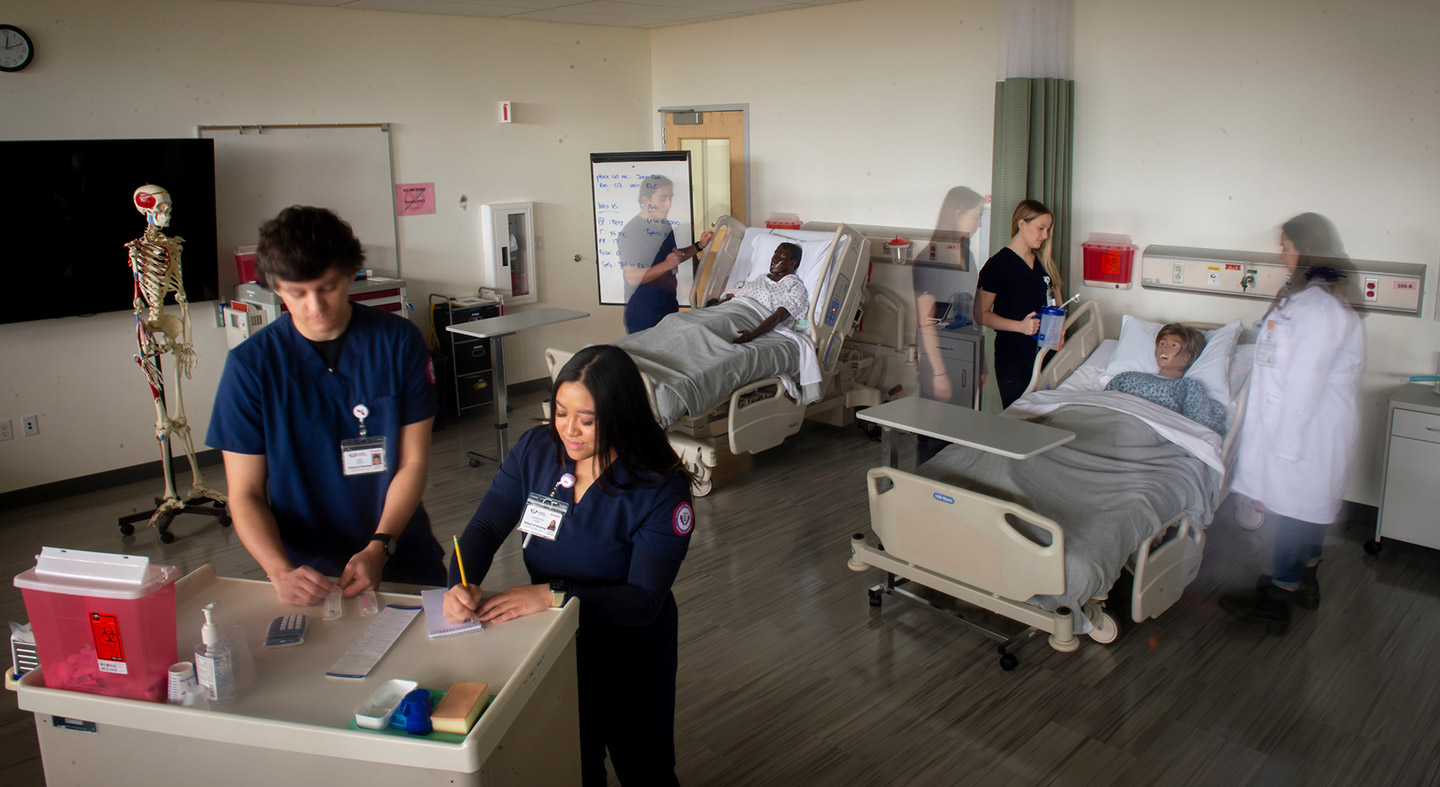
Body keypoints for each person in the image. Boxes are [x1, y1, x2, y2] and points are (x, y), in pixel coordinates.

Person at [445, 345, 693, 786]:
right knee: (574, 760)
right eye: (560, 412)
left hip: (629, 653)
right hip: (557, 644)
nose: (569, 431)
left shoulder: (658, 486)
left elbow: (643, 602)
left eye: (587, 420)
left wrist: (551, 594)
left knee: (645, 769)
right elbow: (483, 528)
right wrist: (459, 583)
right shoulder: (537, 450)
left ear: (620, 415)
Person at [208, 206, 445, 605]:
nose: (315, 307)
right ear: (274, 287)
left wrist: (380, 546)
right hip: (307, 573)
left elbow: (413, 463)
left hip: (402, 550)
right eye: (297, 292)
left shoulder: (398, 342)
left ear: (352, 273)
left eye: (328, 287)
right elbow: (245, 493)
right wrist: (279, 571)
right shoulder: (251, 366)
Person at [1219, 213, 1364, 633]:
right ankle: (1306, 579)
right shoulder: (1310, 297)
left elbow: (1303, 384)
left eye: (1285, 245)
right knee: (1306, 508)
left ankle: (1277, 599)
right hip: (1307, 423)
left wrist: (1285, 446)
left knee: (1293, 510)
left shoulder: (1318, 308)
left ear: (1305, 248)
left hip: (1306, 427)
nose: (1279, 252)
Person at [914, 187, 985, 462]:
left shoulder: (966, 255)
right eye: (976, 216)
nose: (979, 224)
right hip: (939, 359)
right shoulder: (930, 259)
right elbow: (926, 322)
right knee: (934, 437)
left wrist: (982, 364)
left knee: (958, 437)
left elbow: (973, 310)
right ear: (957, 215)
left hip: (965, 356)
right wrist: (939, 373)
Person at [975, 199, 1063, 408]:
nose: (1045, 235)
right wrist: (1020, 327)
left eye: (1047, 229)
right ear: (1021, 224)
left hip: (1046, 353)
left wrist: (1060, 333)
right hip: (1013, 356)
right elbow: (980, 314)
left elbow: (1059, 306)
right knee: (1019, 416)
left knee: (1045, 417)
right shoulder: (997, 266)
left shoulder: (1045, 265)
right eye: (1041, 228)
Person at [620, 175, 714, 333]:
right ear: (645, 199)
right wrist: (666, 265)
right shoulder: (631, 232)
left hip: (668, 308)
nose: (669, 205)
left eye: (670, 198)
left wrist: (698, 246)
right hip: (644, 314)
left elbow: (674, 257)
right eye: (662, 198)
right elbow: (633, 277)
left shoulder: (665, 225)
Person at [1104, 323, 1228, 434]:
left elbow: (1200, 425)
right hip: (1111, 426)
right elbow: (1101, 406)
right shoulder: (1126, 377)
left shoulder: (1188, 387)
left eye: (1174, 345)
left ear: (1188, 357)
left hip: (1148, 432)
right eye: (1162, 344)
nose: (1164, 349)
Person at [709, 242, 808, 343]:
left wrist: (752, 334)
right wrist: (711, 309)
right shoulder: (762, 277)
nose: (774, 258)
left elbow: (779, 315)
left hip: (751, 318)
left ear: (793, 263)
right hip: (730, 308)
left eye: (781, 256)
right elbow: (738, 295)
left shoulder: (794, 286)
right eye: (775, 254)